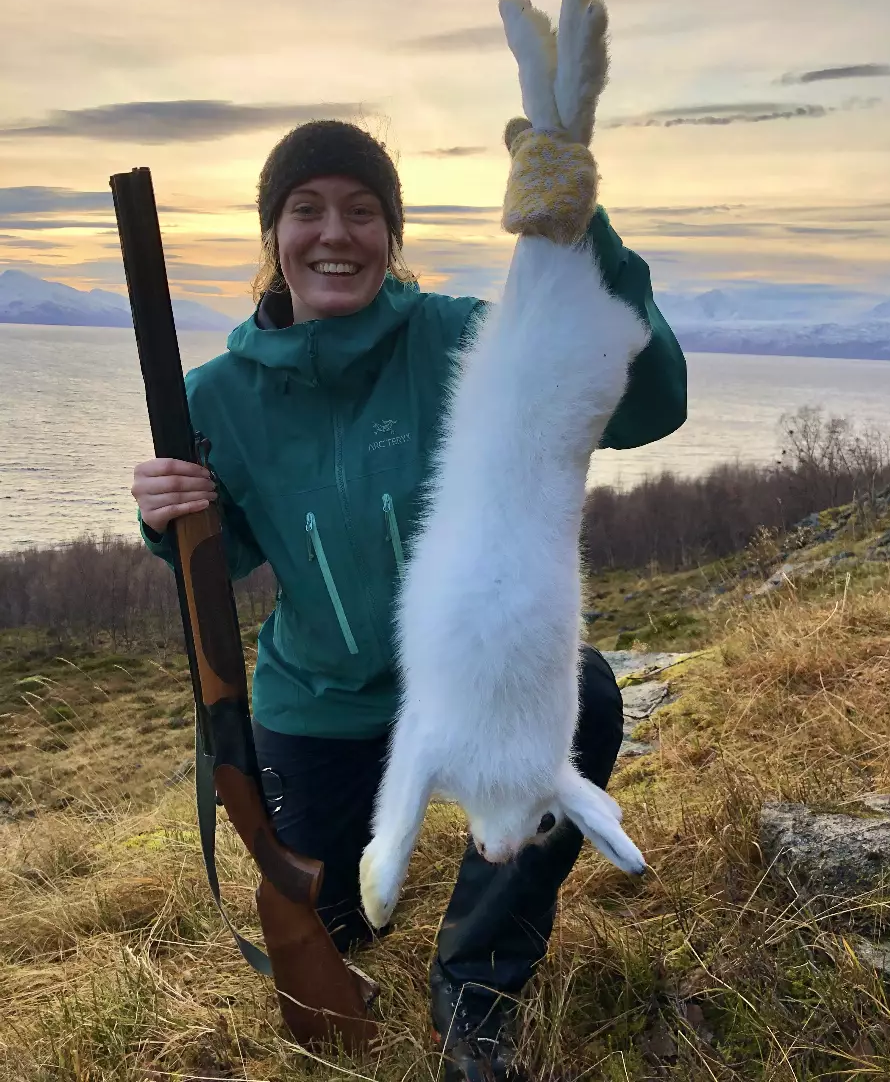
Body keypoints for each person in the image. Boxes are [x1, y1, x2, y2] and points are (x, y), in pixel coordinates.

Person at [133, 119, 687, 1080]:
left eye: (362, 211)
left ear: (391, 235)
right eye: (306, 210)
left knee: (589, 698)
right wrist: (168, 516)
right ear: (274, 235)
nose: (334, 234)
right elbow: (230, 558)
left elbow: (648, 402)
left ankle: (473, 986)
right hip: (322, 704)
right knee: (332, 923)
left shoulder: (462, 339)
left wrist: (579, 223)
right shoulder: (214, 396)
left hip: (467, 691)